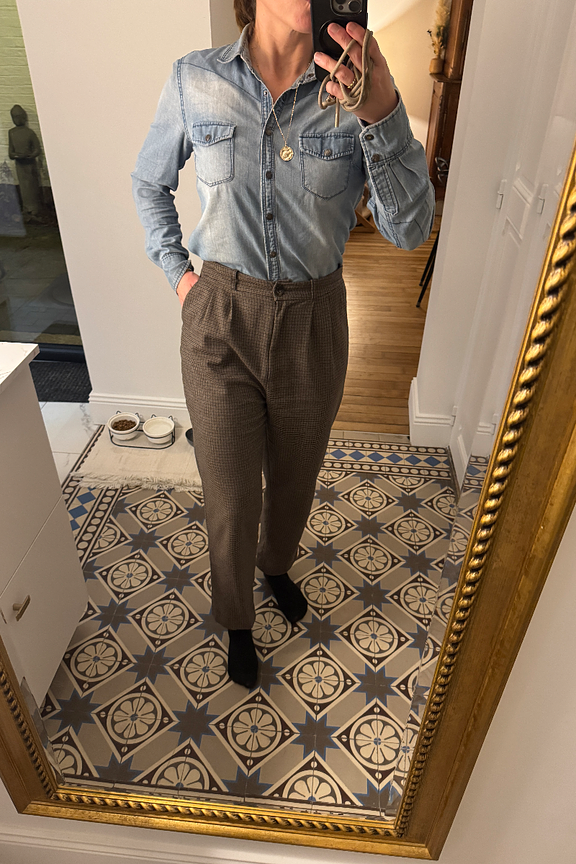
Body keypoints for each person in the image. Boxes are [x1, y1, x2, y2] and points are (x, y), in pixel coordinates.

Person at [132, 0, 434, 689]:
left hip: (314, 320)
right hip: (219, 317)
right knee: (230, 494)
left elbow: (410, 230)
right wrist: (181, 277)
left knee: (296, 479)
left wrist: (382, 113)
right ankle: (236, 617)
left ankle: (275, 566)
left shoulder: (359, 91)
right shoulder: (195, 79)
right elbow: (149, 181)